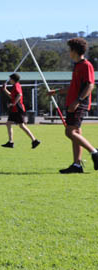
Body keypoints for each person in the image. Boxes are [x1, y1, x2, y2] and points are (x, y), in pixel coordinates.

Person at [46, 38, 97, 173]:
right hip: (73, 103)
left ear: (74, 51)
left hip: (79, 104)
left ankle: (94, 152)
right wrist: (56, 91)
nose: (69, 52)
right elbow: (74, 87)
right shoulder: (77, 66)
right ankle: (76, 165)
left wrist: (77, 101)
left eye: (70, 50)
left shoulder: (86, 65)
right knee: (76, 133)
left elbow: (90, 85)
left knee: (69, 132)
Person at [0, 73, 40, 149]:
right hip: (14, 109)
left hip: (17, 109)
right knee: (9, 123)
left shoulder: (16, 85)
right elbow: (11, 96)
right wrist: (5, 89)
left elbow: (19, 95)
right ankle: (10, 142)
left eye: (10, 79)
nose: (9, 80)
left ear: (13, 79)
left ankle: (34, 140)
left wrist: (13, 103)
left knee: (21, 125)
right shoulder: (14, 86)